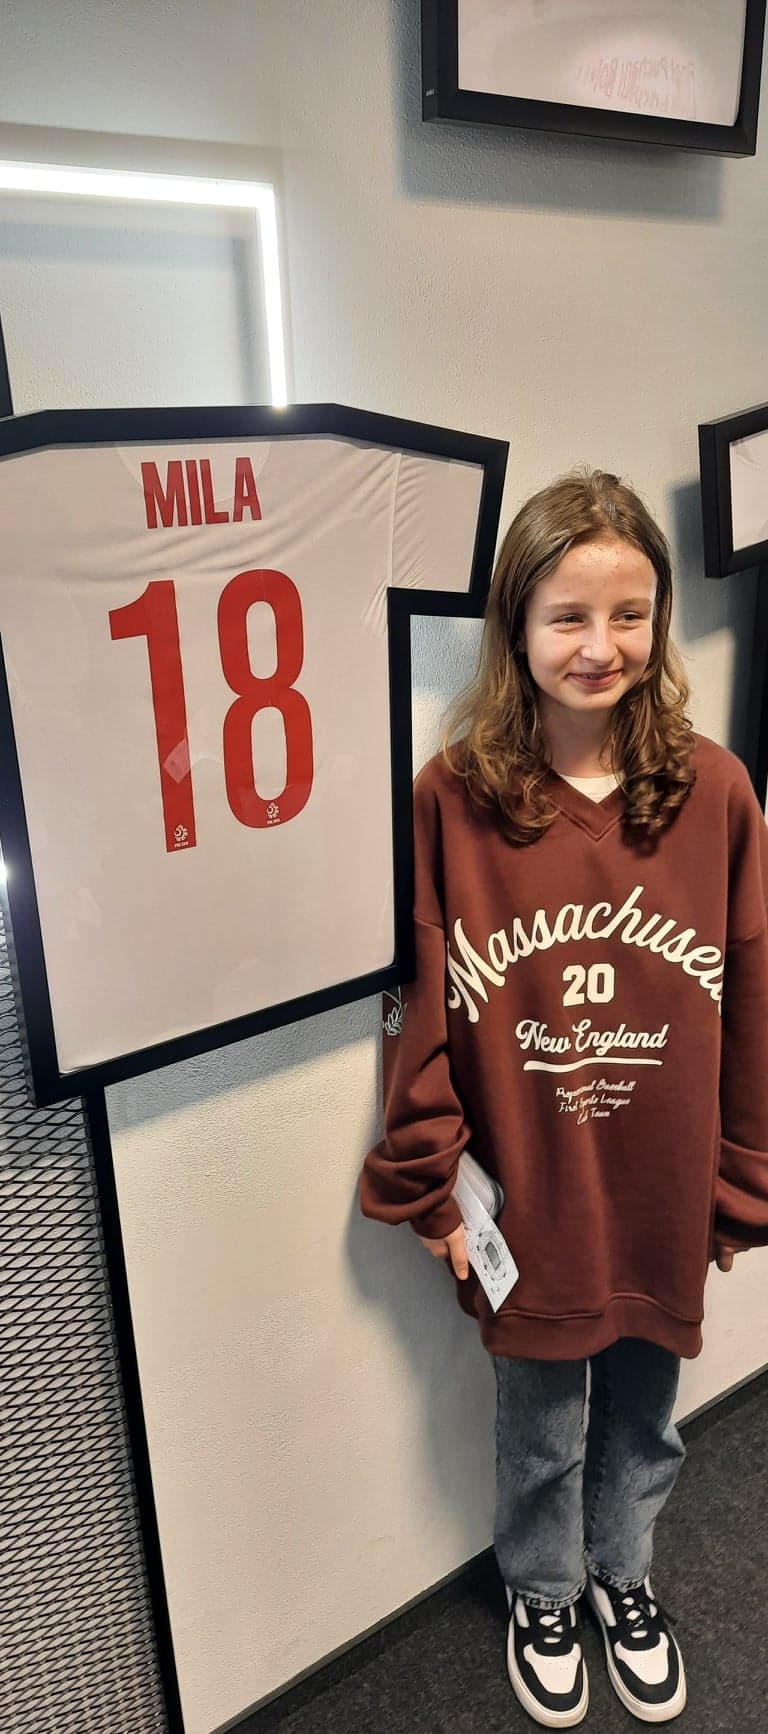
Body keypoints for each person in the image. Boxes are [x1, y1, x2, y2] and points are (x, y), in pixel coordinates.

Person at [360, 469, 768, 1728]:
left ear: (659, 622)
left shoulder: (717, 792)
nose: (602, 647)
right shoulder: (452, 798)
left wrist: (745, 1176)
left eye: (630, 615)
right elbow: (417, 1003)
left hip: (662, 1179)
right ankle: (543, 1587)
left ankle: (623, 1574)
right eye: (569, 617)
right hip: (529, 1189)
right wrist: (429, 1176)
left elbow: (754, 999)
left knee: (647, 1407)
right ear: (516, 628)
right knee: (538, 1417)